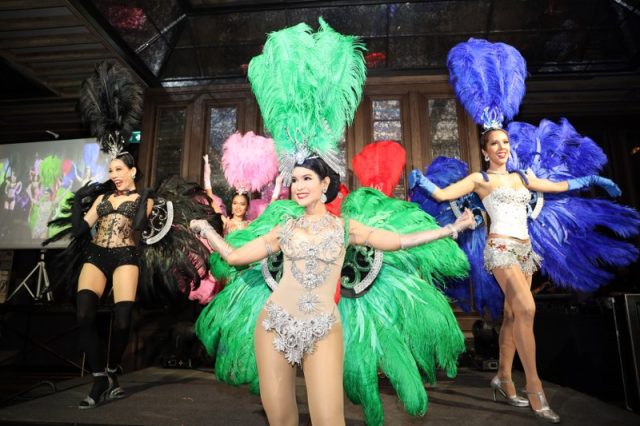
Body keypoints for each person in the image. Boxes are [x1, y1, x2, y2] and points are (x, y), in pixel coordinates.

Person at [190, 155, 475, 426]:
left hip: (323, 327)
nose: (299, 186)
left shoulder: (345, 228)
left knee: (329, 420)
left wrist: (451, 228)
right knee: (281, 420)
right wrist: (206, 229)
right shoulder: (284, 229)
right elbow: (234, 257)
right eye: (295, 180)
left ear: (324, 184)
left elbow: (400, 240)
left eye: (307, 178)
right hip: (274, 325)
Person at [409, 126, 621, 424]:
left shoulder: (522, 178)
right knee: (527, 309)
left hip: (525, 252)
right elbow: (443, 194)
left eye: (505, 142)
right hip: (501, 249)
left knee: (511, 315)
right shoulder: (480, 180)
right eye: (494, 143)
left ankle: (504, 378)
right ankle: (535, 388)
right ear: (485, 152)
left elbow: (557, 186)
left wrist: (592, 180)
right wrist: (420, 180)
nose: (501, 147)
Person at [72, 151, 153, 408]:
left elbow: (138, 226)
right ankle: (99, 378)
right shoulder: (102, 199)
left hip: (125, 256)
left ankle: (111, 372)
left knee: (122, 321)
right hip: (96, 255)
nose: (113, 175)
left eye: (118, 169)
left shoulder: (142, 198)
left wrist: (145, 198)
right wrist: (77, 201)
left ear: (132, 171)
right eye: (110, 171)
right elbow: (79, 230)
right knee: (84, 314)